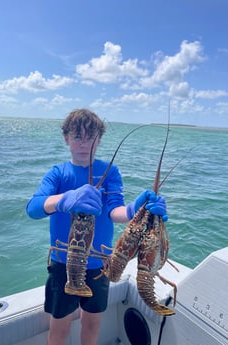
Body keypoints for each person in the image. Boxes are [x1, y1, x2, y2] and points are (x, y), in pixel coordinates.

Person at [26, 108, 168, 345]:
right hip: (63, 265)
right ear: (66, 138)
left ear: (99, 139)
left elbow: (115, 211)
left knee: (92, 324)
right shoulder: (57, 173)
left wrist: (135, 209)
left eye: (90, 136)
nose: (84, 143)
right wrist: (63, 199)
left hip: (101, 265)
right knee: (59, 327)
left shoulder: (110, 171)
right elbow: (33, 208)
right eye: (77, 136)